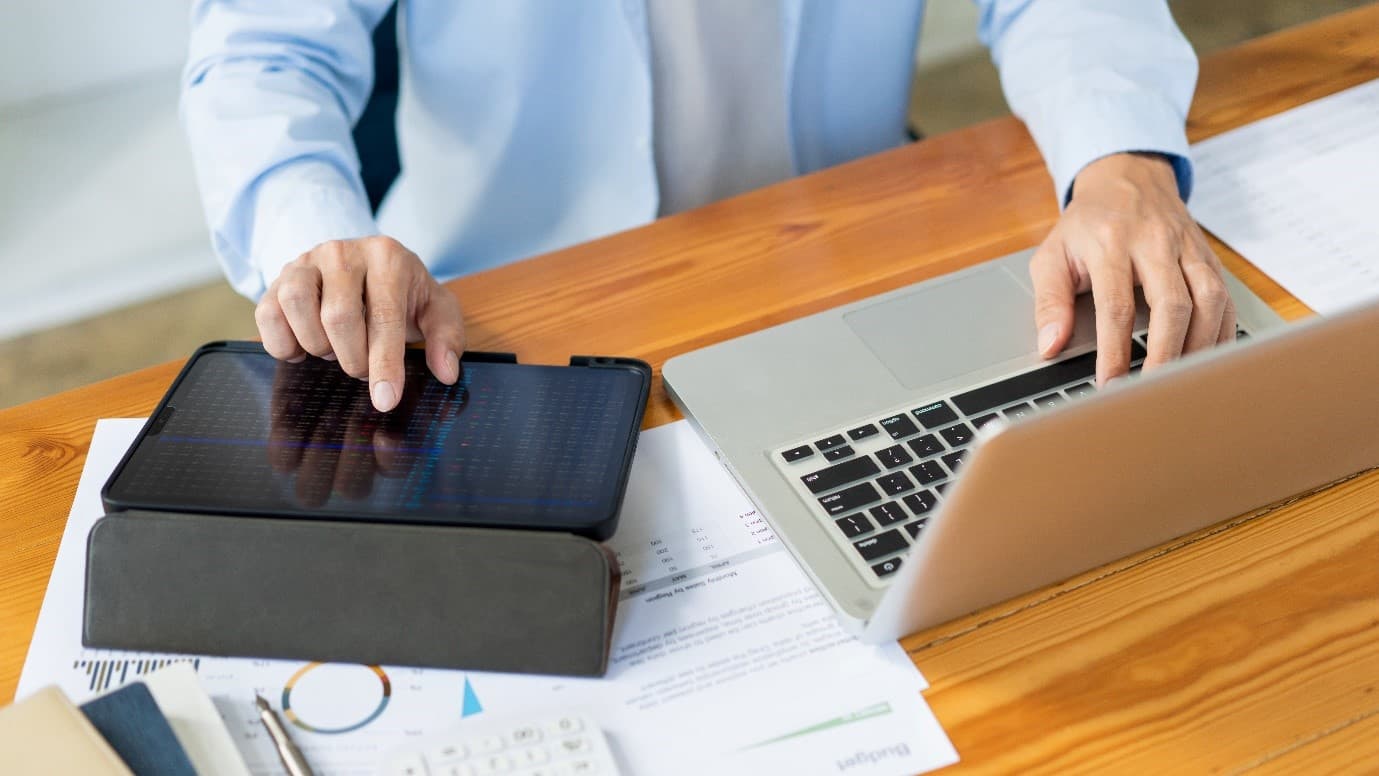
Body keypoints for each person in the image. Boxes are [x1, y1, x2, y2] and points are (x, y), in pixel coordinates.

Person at [182, 1, 1234, 413]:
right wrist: (314, 234)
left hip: (844, 270)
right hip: (500, 320)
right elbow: (261, 52)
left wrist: (1118, 161)